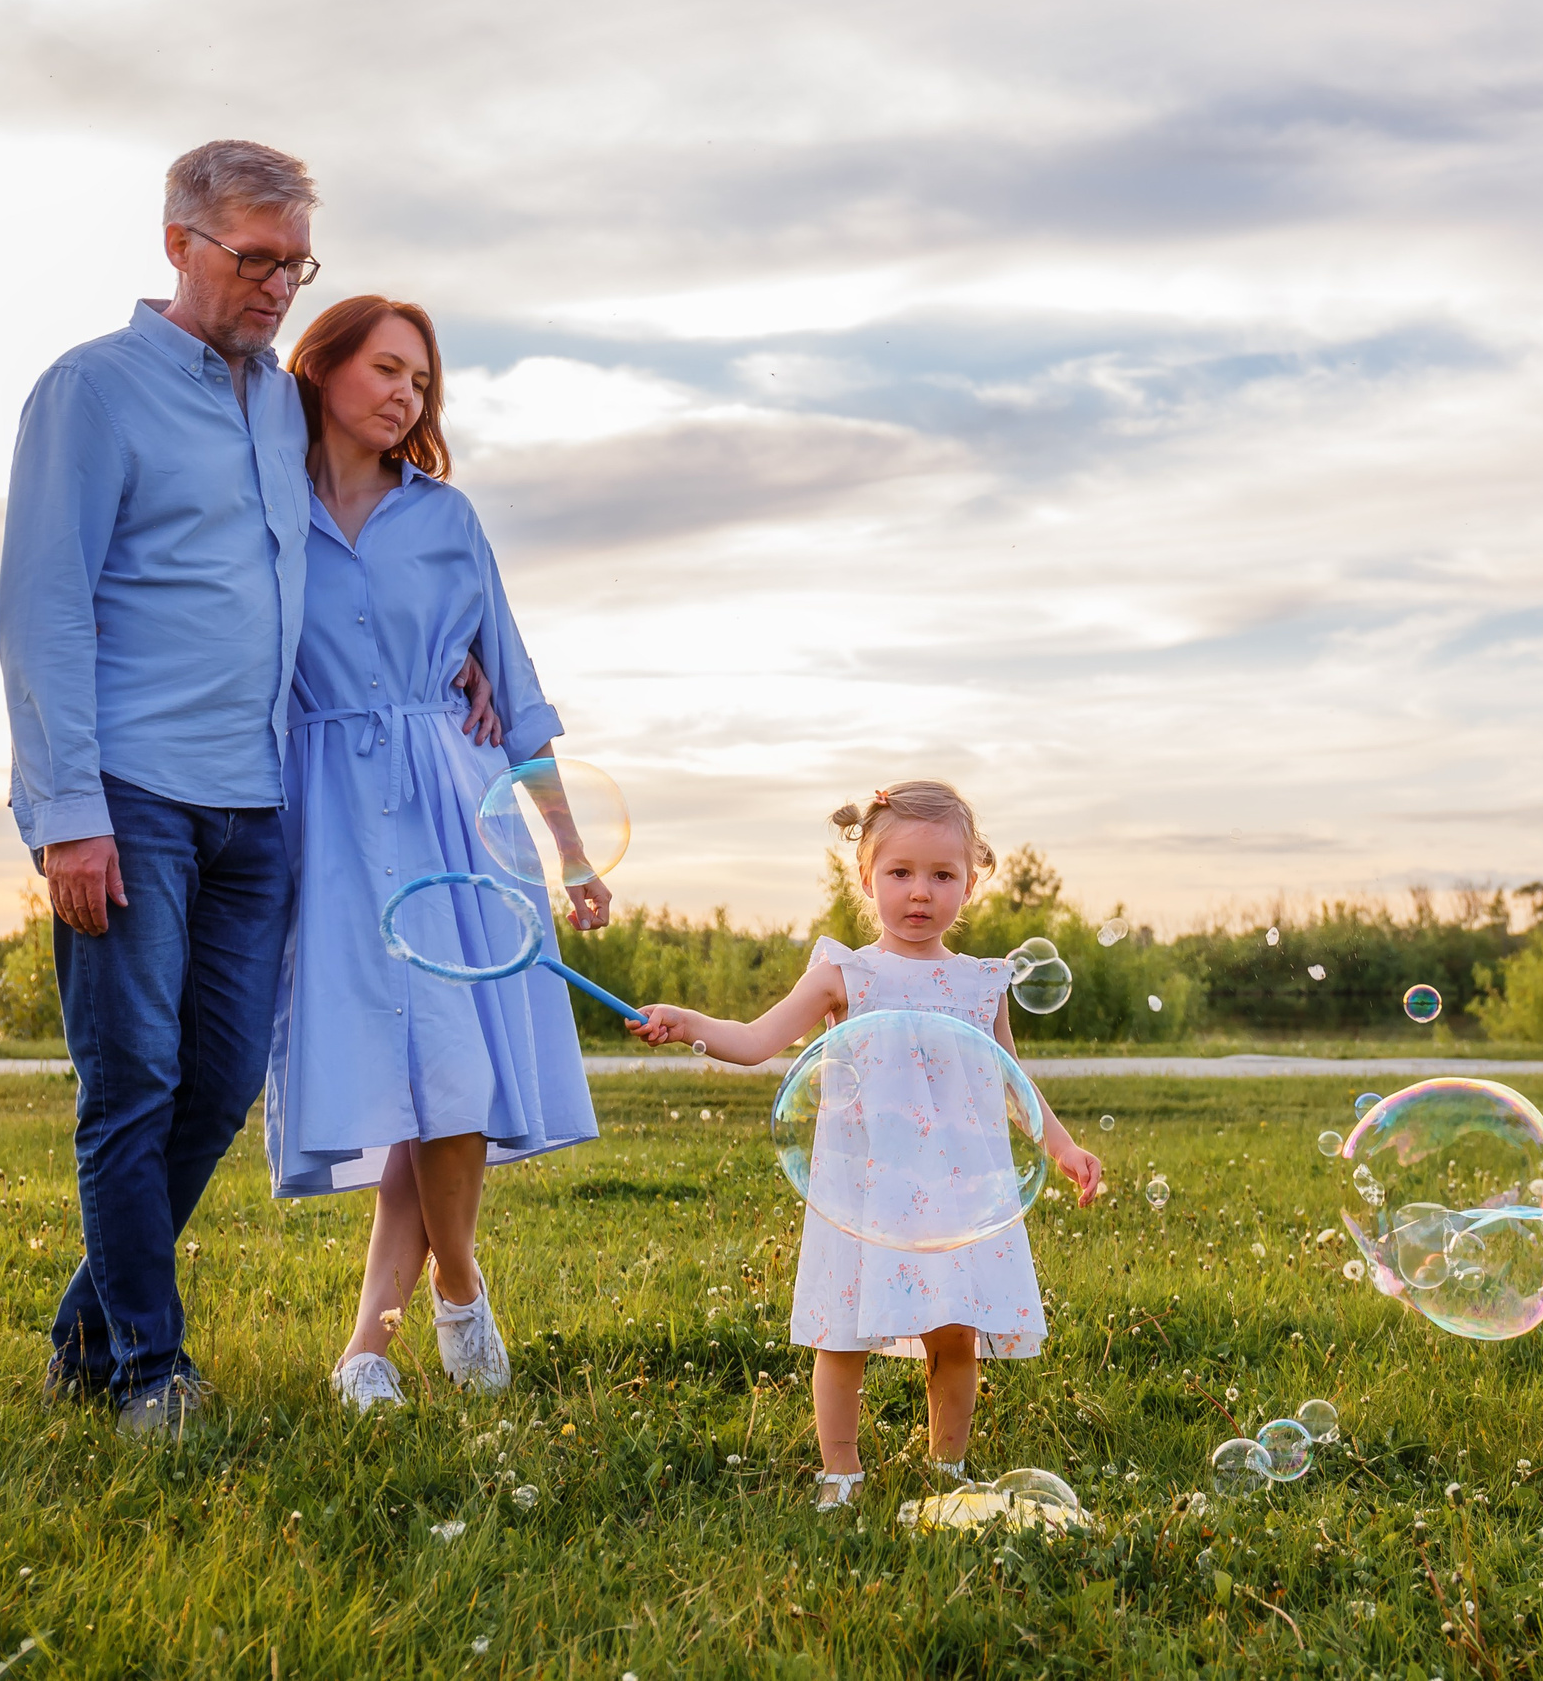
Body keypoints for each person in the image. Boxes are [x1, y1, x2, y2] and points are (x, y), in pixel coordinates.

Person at [0, 141, 499, 1436]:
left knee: (218, 1085)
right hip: (129, 797)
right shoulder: (92, 392)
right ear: (180, 243)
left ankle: (86, 1333)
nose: (277, 284)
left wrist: (454, 662)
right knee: (132, 1083)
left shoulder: (283, 406)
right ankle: (145, 1372)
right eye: (254, 257)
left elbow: (362, 546)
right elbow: (43, 607)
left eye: (296, 265)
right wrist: (68, 814)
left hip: (259, 806)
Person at [266, 295, 605, 1412]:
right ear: (319, 370)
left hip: (455, 816)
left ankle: (428, 1312)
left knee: (452, 1073)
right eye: (386, 369)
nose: (406, 395)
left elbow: (516, 689)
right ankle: (399, 1330)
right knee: (393, 1080)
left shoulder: (447, 518)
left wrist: (572, 854)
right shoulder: (262, 510)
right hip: (326, 820)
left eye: (421, 380)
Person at [627, 782, 1104, 1509]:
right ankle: (840, 1472)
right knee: (842, 1333)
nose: (920, 892)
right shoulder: (845, 975)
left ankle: (947, 1470)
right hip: (865, 1188)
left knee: (955, 1333)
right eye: (900, 872)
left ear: (971, 881)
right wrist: (687, 1021)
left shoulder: (981, 985)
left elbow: (1011, 1082)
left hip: (954, 1191)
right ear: (866, 876)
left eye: (942, 875)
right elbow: (755, 1040)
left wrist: (1063, 1146)